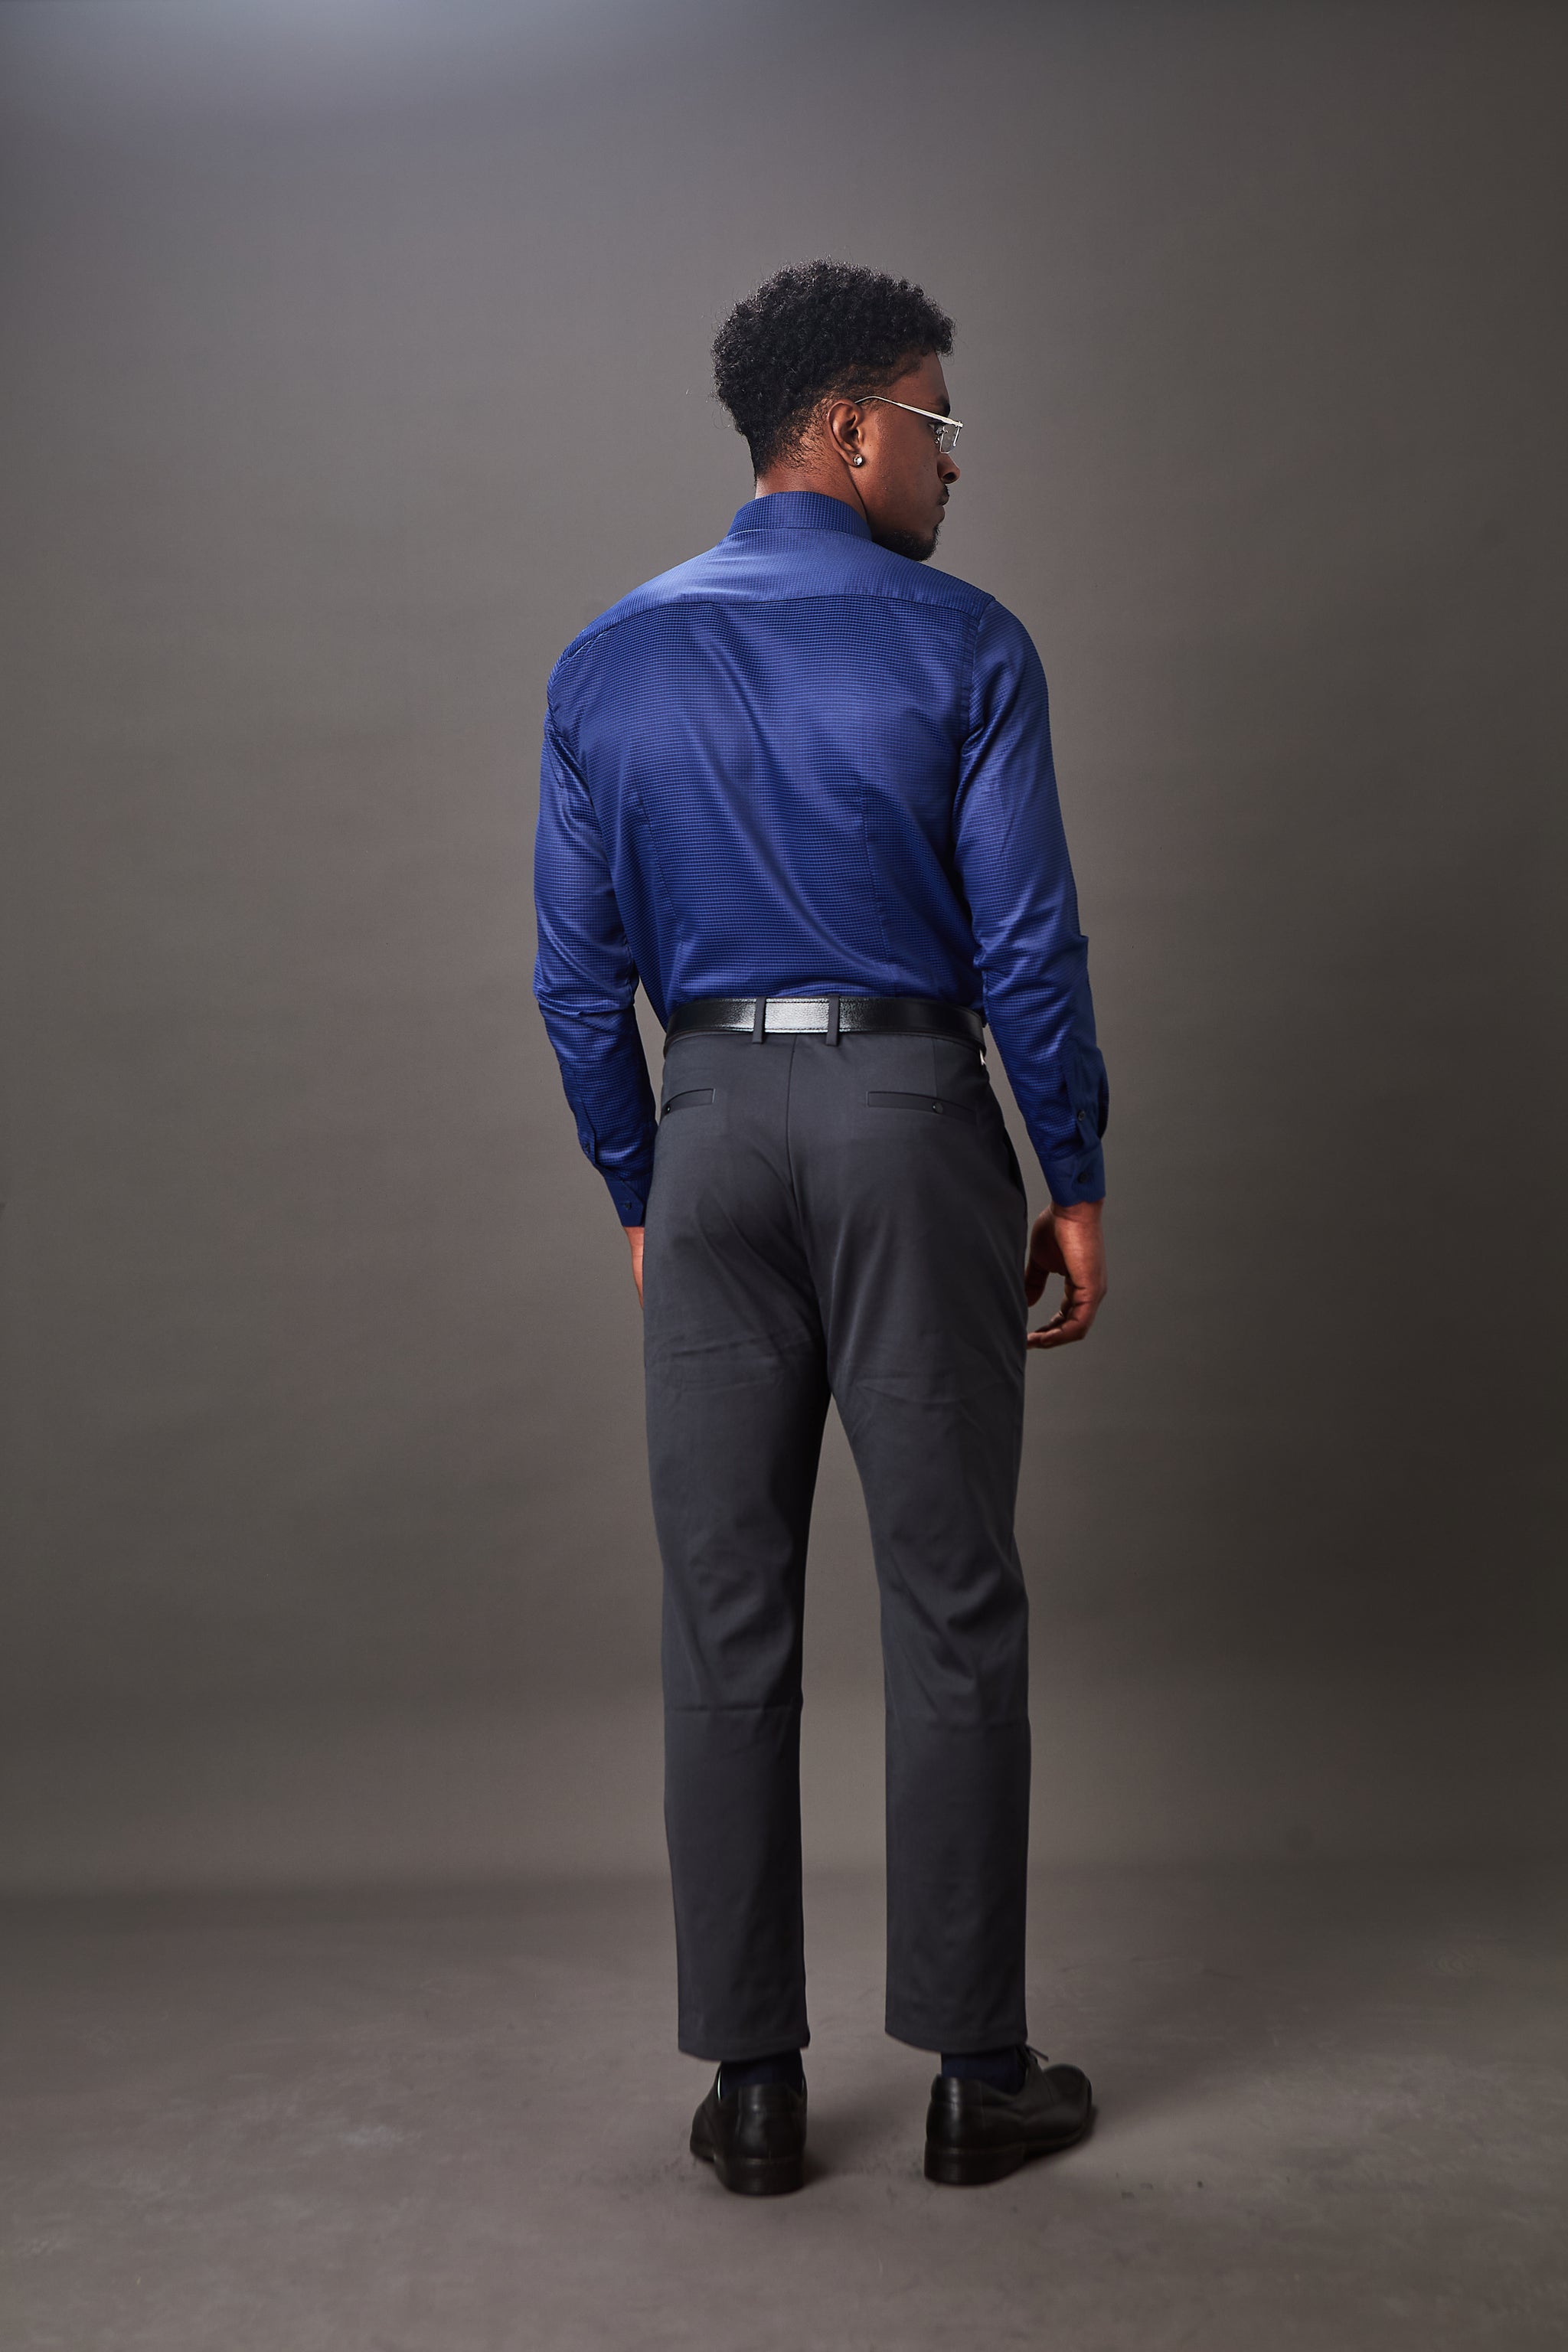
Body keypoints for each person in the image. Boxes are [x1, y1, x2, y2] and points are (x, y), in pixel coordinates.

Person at [534, 260, 1108, 2195]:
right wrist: (1072, 1174)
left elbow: (572, 977)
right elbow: (1026, 945)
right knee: (950, 1595)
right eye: (936, 422)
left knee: (724, 1606)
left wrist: (643, 1181)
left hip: (709, 1132)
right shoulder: (966, 644)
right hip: (906, 1121)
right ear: (851, 429)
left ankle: (756, 2091)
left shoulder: (605, 660)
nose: (954, 461)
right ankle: (975, 2078)